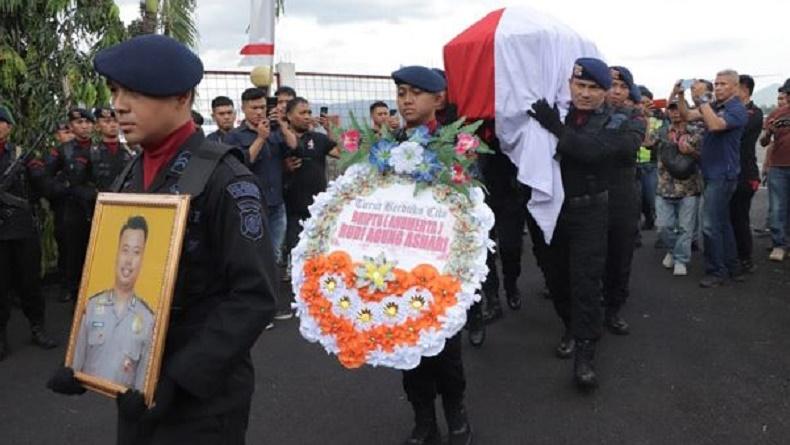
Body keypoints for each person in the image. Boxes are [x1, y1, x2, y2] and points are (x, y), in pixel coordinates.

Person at [47, 34, 277, 445]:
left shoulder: (226, 179)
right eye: (116, 90)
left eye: (136, 92)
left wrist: (180, 377)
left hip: (202, 399)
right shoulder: (129, 175)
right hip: (133, 384)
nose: (119, 104)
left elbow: (254, 296)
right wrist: (86, 360)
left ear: (181, 98)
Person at [529, 57, 642, 390]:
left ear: (606, 92)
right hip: (552, 210)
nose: (586, 94)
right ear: (570, 85)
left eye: (595, 88)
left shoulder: (618, 122)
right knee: (556, 277)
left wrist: (555, 128)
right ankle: (569, 326)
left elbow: (592, 151)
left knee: (587, 282)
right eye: (580, 85)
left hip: (591, 211)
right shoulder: (558, 112)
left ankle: (585, 354)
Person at [390, 65, 472, 445]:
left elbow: (468, 203)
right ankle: (423, 419)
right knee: (407, 348)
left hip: (442, 266)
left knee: (446, 349)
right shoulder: (386, 146)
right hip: (399, 266)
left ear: (437, 99)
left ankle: (455, 412)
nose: (406, 100)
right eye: (401, 92)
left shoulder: (457, 145)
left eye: (415, 93)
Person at [676, 71, 748, 287]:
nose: (717, 88)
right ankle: (732, 267)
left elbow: (716, 125)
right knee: (722, 223)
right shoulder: (715, 106)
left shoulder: (737, 109)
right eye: (716, 84)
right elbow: (687, 116)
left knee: (709, 225)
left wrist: (704, 99)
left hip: (722, 175)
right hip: (712, 172)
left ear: (735, 87)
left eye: (723, 84)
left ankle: (717, 271)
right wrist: (681, 95)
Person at [0, 105, 58, 360]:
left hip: (23, 230)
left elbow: (42, 187)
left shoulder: (22, 156)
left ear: (9, 127)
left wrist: (42, 173)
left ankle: (37, 327)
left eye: (0, 121)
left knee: (30, 284)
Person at [72, 216, 155, 391]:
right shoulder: (91, 306)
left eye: (136, 252)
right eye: (125, 250)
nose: (129, 260)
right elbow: (73, 365)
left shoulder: (149, 319)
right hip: (85, 401)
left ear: (143, 259)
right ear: (116, 253)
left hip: (122, 406)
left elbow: (142, 384)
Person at [601, 66, 646, 336]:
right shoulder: (586, 115)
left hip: (623, 196)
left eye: (622, 87)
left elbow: (626, 147)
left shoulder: (636, 116)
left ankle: (614, 309)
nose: (616, 92)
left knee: (620, 256)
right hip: (591, 196)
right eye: (611, 85)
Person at [42, 108, 97, 303]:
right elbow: (45, 180)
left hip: (96, 208)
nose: (84, 126)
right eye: (79, 123)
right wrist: (66, 190)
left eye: (88, 122)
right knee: (70, 250)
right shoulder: (62, 150)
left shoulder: (99, 148)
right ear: (72, 126)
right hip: (70, 209)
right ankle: (69, 286)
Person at [282, 97, 339, 265]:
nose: (307, 116)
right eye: (302, 113)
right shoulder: (280, 138)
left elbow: (339, 152)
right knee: (294, 249)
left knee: (318, 251)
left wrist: (330, 130)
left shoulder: (318, 138)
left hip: (316, 206)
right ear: (289, 116)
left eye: (309, 112)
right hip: (291, 207)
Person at [655, 100, 703, 276]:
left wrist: (691, 152)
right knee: (663, 227)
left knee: (686, 228)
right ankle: (672, 250)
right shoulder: (661, 131)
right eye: (671, 110)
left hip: (689, 187)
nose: (675, 113)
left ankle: (681, 259)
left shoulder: (697, 132)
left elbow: (704, 157)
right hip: (664, 186)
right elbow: (646, 143)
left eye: (678, 109)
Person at [729, 75, 762, 272]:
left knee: (740, 217)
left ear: (745, 90)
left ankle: (745, 258)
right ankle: (731, 254)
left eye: (734, 87)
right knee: (728, 216)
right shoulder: (730, 110)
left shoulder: (754, 113)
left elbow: (735, 132)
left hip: (745, 173)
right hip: (729, 171)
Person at [761, 78, 790, 261]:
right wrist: (769, 131)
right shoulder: (775, 114)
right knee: (778, 208)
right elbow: (764, 142)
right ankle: (779, 244)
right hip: (778, 166)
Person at [91, 107, 136, 192]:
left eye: (116, 121)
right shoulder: (91, 152)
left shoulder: (131, 152)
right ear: (97, 126)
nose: (113, 125)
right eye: (107, 121)